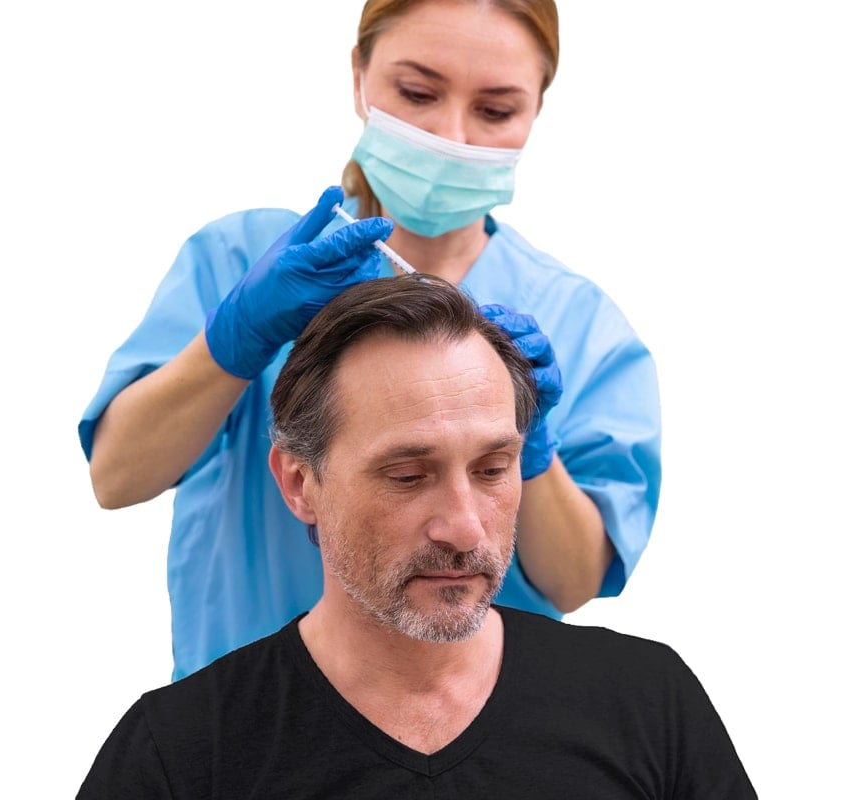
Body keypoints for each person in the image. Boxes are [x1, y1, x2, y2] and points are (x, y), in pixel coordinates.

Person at [80, 0, 661, 681]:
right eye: (417, 93)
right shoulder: (242, 259)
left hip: (483, 724)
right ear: (359, 76)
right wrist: (237, 338)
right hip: (254, 711)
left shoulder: (581, 323)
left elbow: (573, 583)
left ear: (536, 110)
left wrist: (529, 448)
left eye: (495, 109)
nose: (451, 136)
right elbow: (117, 477)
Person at [76, 277, 753, 799]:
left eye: (493, 468)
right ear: (300, 483)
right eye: (407, 476)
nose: (464, 527)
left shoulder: (649, 705)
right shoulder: (181, 754)